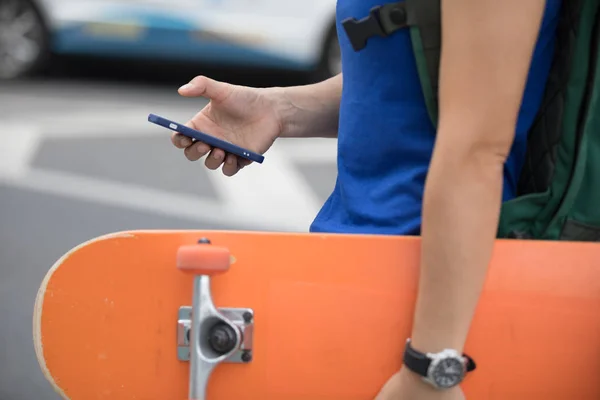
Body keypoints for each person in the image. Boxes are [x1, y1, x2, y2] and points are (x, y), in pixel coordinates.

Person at [171, 0, 562, 398]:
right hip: (353, 272)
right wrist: (278, 109)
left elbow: (476, 151)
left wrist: (430, 369)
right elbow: (411, 76)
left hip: (419, 304)